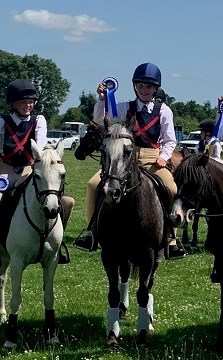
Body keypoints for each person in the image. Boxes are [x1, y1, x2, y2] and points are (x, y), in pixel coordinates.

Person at [74, 62, 185, 259]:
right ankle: (91, 232)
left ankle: (171, 238)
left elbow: (170, 140)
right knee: (93, 185)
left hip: (152, 159)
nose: (144, 90)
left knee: (171, 188)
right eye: (140, 86)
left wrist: (163, 157)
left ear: (155, 89)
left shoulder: (164, 111)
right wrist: (101, 100)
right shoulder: (125, 107)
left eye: (149, 87)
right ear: (135, 86)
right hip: (125, 158)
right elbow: (101, 120)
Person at [0, 79, 74, 268]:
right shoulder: (2, 123)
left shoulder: (39, 121)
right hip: (6, 173)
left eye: (31, 102)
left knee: (67, 202)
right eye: (23, 102)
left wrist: (41, 156)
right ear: (13, 104)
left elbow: (39, 142)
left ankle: (58, 242)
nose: (28, 105)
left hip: (31, 171)